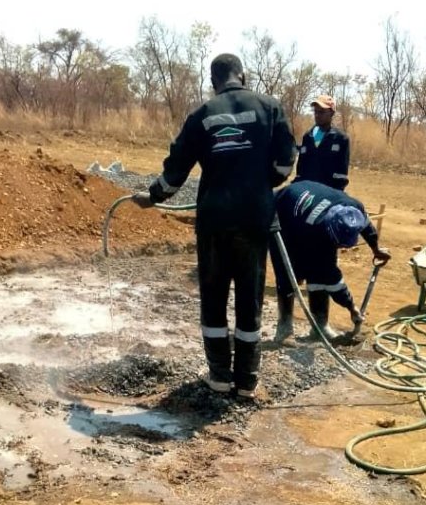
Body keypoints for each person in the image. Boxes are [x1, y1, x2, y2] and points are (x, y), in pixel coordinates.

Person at [131, 53, 296, 398]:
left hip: (214, 221)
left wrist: (153, 196)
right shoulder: (269, 107)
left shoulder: (202, 116)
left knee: (214, 297)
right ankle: (248, 381)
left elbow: (176, 171)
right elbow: (285, 162)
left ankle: (219, 377)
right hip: (253, 219)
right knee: (250, 298)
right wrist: (260, 183)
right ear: (244, 75)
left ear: (212, 82)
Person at [270, 179, 391, 342]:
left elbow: (367, 226)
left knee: (318, 274)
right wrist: (351, 307)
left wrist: (375, 248)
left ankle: (320, 327)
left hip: (305, 201)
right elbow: (332, 278)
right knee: (289, 274)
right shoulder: (315, 230)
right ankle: (284, 330)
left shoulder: (353, 208)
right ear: (329, 230)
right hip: (282, 213)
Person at [295, 94, 350, 191]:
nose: (317, 115)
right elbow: (300, 169)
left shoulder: (341, 139)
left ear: (331, 113)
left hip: (329, 194)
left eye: (321, 112)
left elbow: (341, 175)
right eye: (315, 111)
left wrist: (334, 194)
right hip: (307, 193)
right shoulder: (308, 137)